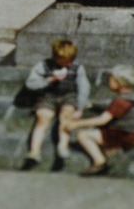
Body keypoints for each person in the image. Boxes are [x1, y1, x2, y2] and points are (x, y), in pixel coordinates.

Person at [18, 38, 90, 171]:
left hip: (69, 95)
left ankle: (62, 147)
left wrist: (80, 107)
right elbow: (31, 84)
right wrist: (50, 80)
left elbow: (83, 88)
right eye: (63, 60)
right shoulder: (44, 65)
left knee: (66, 116)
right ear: (55, 56)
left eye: (70, 60)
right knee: (42, 118)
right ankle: (34, 152)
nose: (67, 63)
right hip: (48, 95)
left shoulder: (78, 68)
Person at [59, 64, 134, 177]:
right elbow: (108, 106)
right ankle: (112, 155)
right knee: (100, 133)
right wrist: (91, 106)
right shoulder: (130, 97)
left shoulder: (123, 101)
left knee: (83, 135)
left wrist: (75, 124)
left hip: (124, 135)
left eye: (111, 78)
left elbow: (102, 120)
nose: (109, 81)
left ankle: (100, 162)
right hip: (127, 133)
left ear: (119, 82)